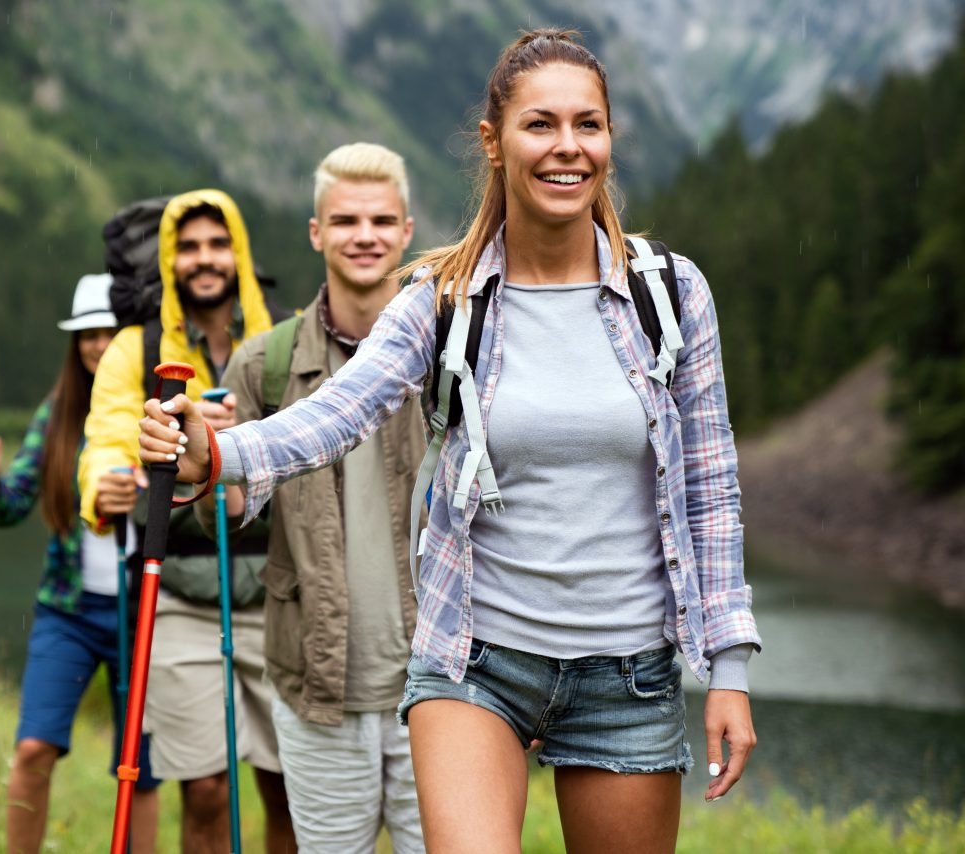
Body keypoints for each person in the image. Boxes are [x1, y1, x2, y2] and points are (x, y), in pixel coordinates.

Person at [140, 29, 761, 854]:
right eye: (540, 125)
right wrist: (217, 455)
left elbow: (710, 485)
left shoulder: (671, 295)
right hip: (476, 662)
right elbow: (340, 410)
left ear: (610, 138)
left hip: (631, 672)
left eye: (590, 125)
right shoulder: (446, 297)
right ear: (494, 141)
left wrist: (730, 668)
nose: (567, 148)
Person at [212, 142, 426, 852]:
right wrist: (204, 466)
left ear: (407, 231)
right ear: (316, 233)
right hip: (316, 686)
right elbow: (232, 506)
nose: (363, 236)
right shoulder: (263, 364)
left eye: (379, 221)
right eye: (345, 221)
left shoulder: (453, 356)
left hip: (443, 689)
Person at [79, 190, 296, 853]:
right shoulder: (136, 349)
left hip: (282, 595)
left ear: (240, 254)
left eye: (218, 244)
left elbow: (319, 439)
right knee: (203, 789)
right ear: (171, 261)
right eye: (190, 247)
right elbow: (109, 439)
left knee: (288, 790)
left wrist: (242, 439)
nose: (205, 260)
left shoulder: (285, 341)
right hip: (178, 591)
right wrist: (104, 487)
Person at [0, 274, 160, 854]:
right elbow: (11, 504)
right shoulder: (58, 413)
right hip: (66, 612)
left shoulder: (154, 412)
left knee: (140, 768)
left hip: (142, 611)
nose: (99, 346)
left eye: (111, 333)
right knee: (33, 749)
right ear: (74, 345)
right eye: (87, 336)